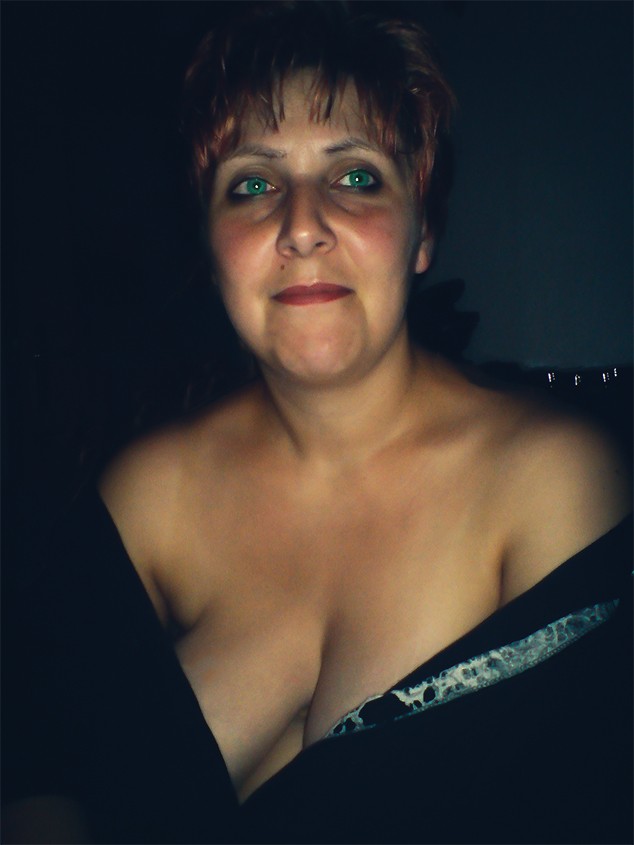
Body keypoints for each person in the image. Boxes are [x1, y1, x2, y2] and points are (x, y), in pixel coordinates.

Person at [3, 2, 631, 843]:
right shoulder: (145, 496)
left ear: (423, 233)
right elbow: (39, 765)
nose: (301, 225)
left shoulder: (551, 481)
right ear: (211, 249)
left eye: (357, 177)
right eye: (252, 184)